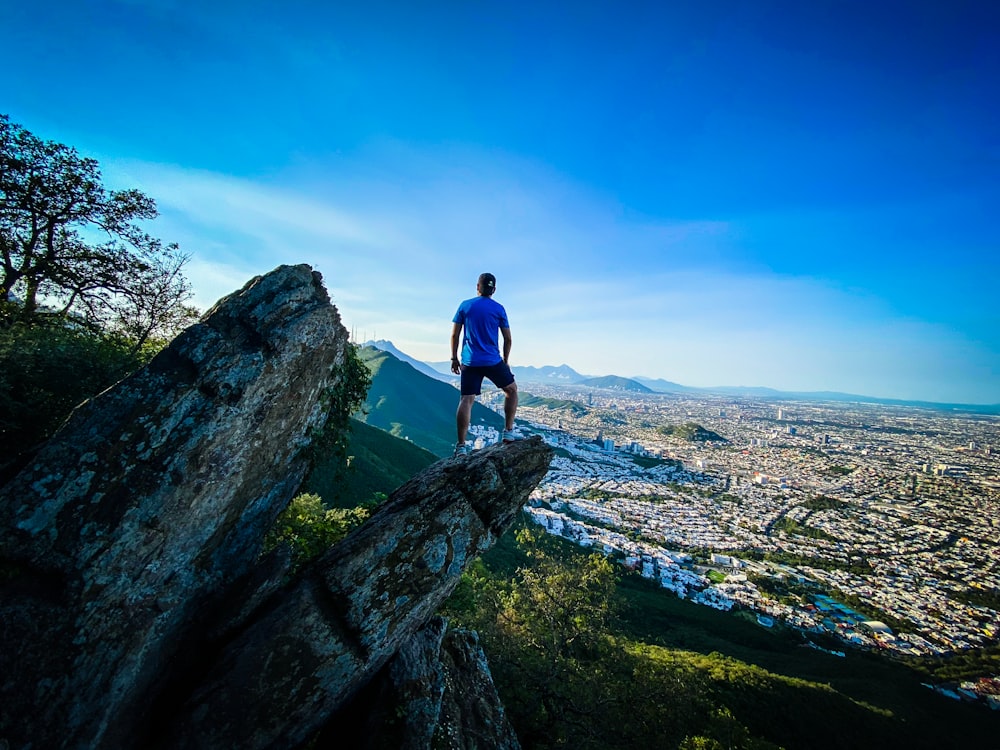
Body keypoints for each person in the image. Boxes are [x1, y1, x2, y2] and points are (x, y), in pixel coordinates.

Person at [450, 272, 521, 455]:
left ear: (477, 287)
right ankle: (508, 431)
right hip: (492, 360)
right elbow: (508, 339)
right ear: (494, 290)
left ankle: (461, 445)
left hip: (470, 361)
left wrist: (454, 358)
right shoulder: (499, 309)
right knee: (511, 390)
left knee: (466, 399)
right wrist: (505, 361)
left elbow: (454, 335)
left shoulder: (465, 306)